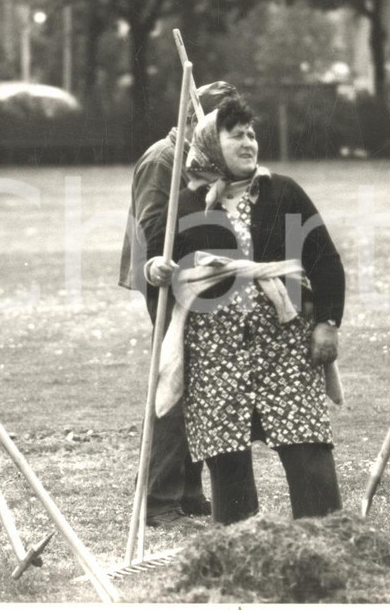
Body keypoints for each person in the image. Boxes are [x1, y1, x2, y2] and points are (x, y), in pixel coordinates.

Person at [145, 95, 345, 525]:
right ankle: (239, 541)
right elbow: (159, 257)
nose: (248, 142)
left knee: (305, 439)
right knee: (225, 448)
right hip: (218, 352)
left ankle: (326, 534)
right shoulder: (190, 204)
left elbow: (325, 259)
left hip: (285, 344)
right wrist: (157, 268)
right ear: (212, 147)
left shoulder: (283, 192)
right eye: (235, 136)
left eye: (251, 134)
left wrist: (327, 323)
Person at [119, 81, 237, 526]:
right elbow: (153, 230)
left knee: (199, 381)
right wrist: (165, 267)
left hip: (203, 279)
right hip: (168, 282)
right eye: (214, 125)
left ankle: (188, 490)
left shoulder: (204, 161)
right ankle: (159, 500)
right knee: (174, 378)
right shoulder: (162, 159)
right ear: (191, 119)